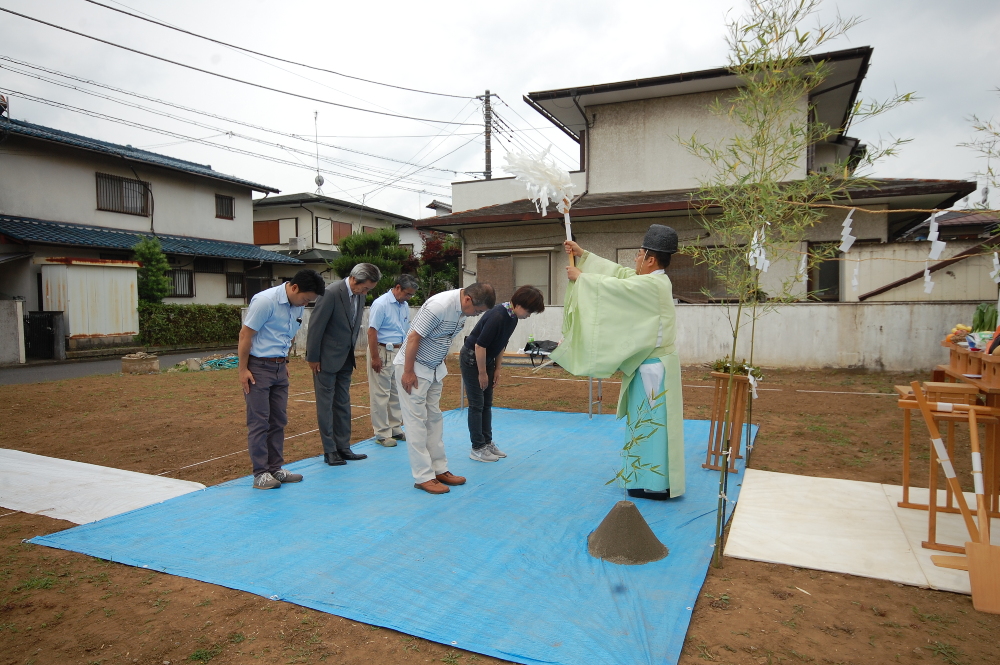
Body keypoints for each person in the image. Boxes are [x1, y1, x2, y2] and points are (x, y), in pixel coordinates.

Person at [551, 225, 685, 500]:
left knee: (651, 424)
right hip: (651, 366)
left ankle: (655, 484)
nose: (634, 259)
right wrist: (584, 255)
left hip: (653, 369)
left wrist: (583, 279)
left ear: (650, 259)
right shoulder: (653, 281)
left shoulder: (651, 284)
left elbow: (617, 287)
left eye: (638, 254)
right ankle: (646, 478)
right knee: (645, 422)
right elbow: (620, 275)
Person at [394, 283, 495, 494]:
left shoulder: (462, 309)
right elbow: (414, 337)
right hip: (413, 368)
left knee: (434, 420)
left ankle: (439, 470)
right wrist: (408, 371)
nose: (476, 315)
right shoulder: (438, 306)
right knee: (416, 423)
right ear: (467, 299)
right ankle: (423, 476)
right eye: (477, 311)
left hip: (433, 369)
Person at [238, 269, 326, 490]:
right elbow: (245, 335)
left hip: (279, 368)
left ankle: (275, 467)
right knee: (259, 421)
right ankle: (260, 473)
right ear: (294, 287)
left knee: (278, 420)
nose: (305, 303)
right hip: (258, 367)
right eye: (305, 299)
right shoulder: (265, 301)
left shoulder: (296, 304)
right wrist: (243, 370)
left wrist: (284, 361)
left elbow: (290, 333)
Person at [306, 263, 381, 466]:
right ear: (354, 280)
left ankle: (344, 447)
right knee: (326, 405)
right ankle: (329, 450)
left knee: (343, 404)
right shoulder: (331, 293)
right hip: (325, 359)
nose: (366, 292)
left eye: (368, 290)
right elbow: (315, 326)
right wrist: (313, 357)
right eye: (365, 288)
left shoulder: (360, 295)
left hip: (346, 358)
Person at [462, 285, 545, 462]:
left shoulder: (512, 317)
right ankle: (477, 448)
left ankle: (487, 442)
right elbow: (479, 345)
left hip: (487, 359)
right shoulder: (498, 315)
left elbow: (501, 344)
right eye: (529, 311)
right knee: (477, 404)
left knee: (487, 403)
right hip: (473, 359)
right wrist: (483, 373)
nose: (529, 315)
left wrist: (498, 369)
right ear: (519, 303)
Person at [367, 274, 419, 447]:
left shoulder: (404, 305)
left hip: (398, 351)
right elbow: (372, 331)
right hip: (382, 350)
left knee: (397, 391)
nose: (409, 297)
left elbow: (405, 329)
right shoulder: (381, 304)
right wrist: (375, 357)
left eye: (411, 295)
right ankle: (382, 433)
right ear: (397, 288)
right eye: (407, 294)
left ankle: (395, 428)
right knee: (381, 393)